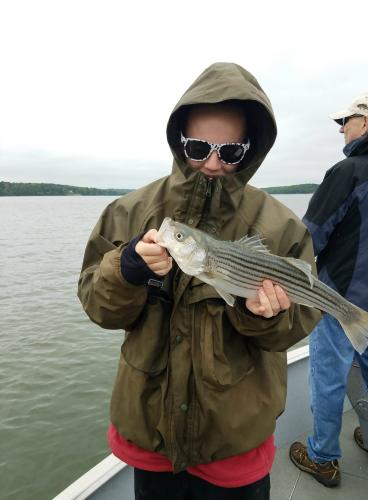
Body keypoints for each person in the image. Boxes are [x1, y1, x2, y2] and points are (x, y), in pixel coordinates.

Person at [78, 62, 319, 500]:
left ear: (250, 149)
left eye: (229, 152)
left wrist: (261, 315)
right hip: (152, 434)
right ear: (178, 140)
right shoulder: (129, 210)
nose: (212, 163)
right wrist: (126, 270)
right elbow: (97, 306)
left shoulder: (283, 227)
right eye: (198, 147)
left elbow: (299, 323)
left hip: (236, 440)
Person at [290, 91, 368, 487]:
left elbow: (308, 239)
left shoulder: (349, 171)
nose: (342, 128)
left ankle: (323, 456)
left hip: (343, 300)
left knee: (328, 377)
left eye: (347, 120)